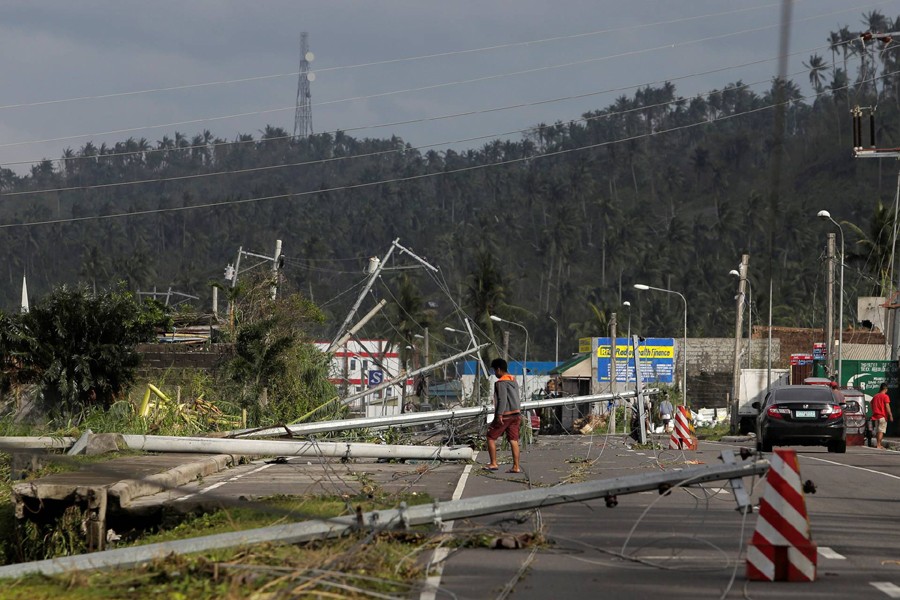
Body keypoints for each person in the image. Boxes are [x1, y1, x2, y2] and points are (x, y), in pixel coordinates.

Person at [485, 358, 522, 473]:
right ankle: (516, 466)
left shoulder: (501, 383)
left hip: (505, 415)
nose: (495, 373)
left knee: (490, 437)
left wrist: (499, 415)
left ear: (499, 369)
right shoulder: (513, 380)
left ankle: (493, 463)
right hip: (516, 414)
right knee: (513, 439)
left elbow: (502, 399)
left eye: (495, 371)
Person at [871, 383, 894, 449]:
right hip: (882, 416)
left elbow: (871, 404)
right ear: (885, 389)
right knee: (881, 431)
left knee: (878, 431)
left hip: (875, 416)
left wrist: (875, 410)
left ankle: (878, 444)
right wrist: (890, 415)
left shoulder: (875, 396)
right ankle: (878, 444)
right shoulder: (885, 396)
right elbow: (887, 406)